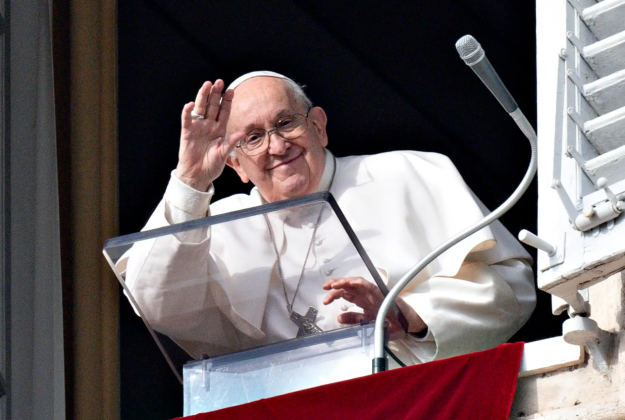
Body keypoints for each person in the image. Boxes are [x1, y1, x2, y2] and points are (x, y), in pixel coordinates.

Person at [121, 71, 536, 364]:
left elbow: (512, 287)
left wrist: (406, 314)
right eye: (252, 137)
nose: (277, 145)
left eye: (286, 123)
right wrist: (190, 179)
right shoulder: (220, 225)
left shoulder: (407, 172)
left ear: (318, 126)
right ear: (237, 166)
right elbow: (156, 302)